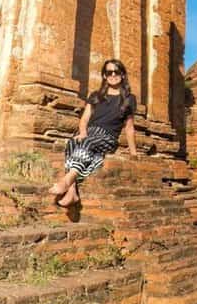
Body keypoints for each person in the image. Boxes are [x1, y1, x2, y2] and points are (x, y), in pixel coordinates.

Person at [49, 59, 137, 206]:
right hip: (89, 132)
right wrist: (83, 133)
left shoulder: (129, 99)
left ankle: (67, 180)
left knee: (87, 142)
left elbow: (129, 127)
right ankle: (72, 192)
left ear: (122, 75)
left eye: (116, 72)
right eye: (109, 72)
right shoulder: (96, 95)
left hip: (108, 137)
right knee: (72, 142)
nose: (113, 75)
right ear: (104, 76)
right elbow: (84, 119)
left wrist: (133, 152)